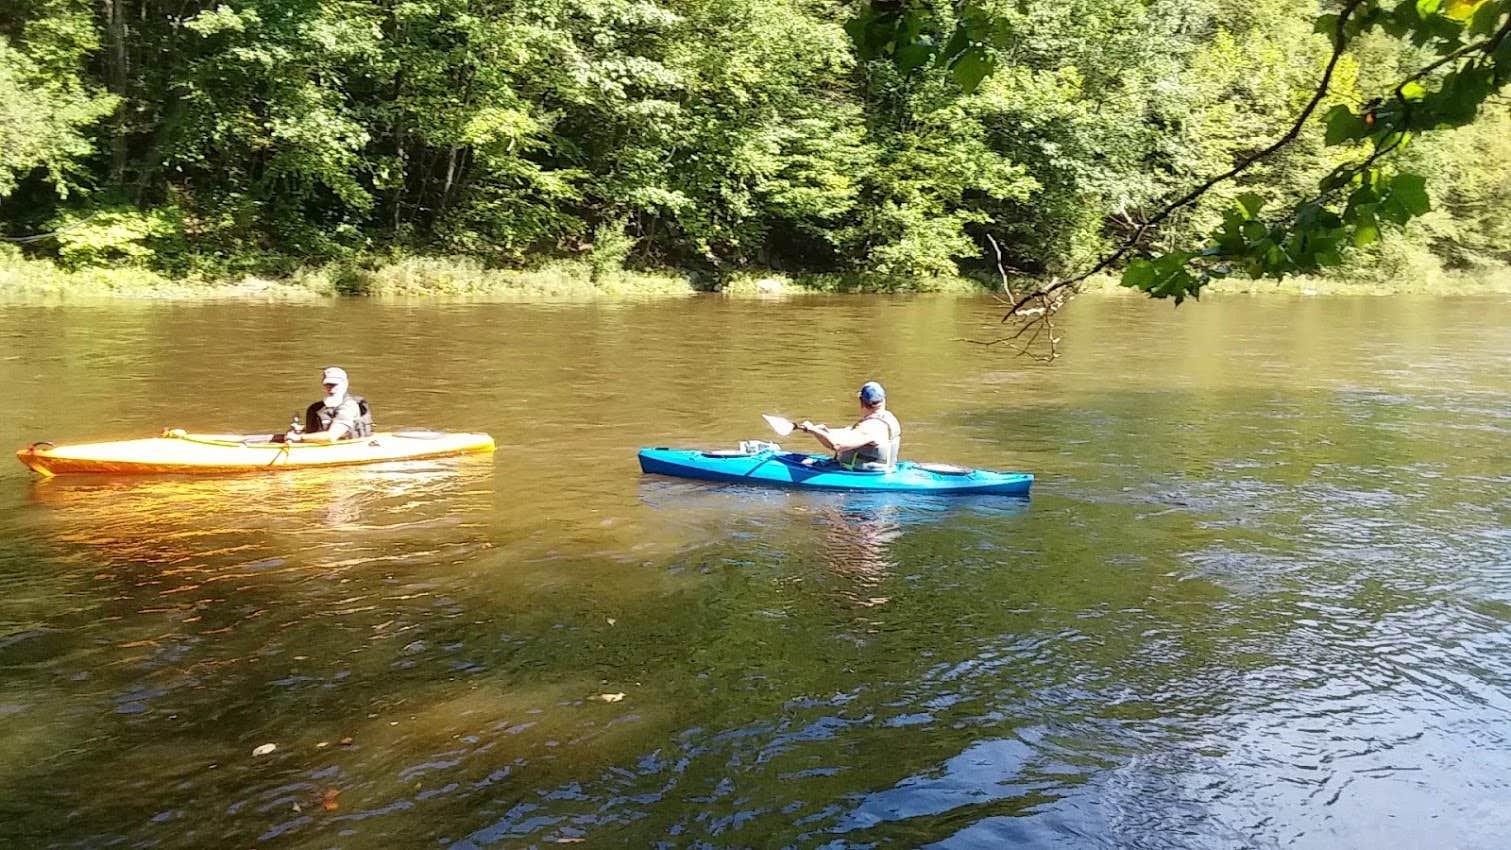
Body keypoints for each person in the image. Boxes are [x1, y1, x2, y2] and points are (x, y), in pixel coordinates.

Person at [797, 381, 901, 471]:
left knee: (805, 463)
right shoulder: (887, 417)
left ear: (862, 403)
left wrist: (814, 430)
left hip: (860, 474)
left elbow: (836, 446)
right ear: (883, 399)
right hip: (884, 470)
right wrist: (824, 431)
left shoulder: (871, 426)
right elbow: (853, 433)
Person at [283, 366, 373, 443]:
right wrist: (303, 429)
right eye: (328, 385)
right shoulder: (325, 405)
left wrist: (300, 437)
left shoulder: (348, 407)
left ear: (345, 384)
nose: (331, 389)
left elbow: (331, 436)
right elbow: (330, 424)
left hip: (348, 447)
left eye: (334, 385)